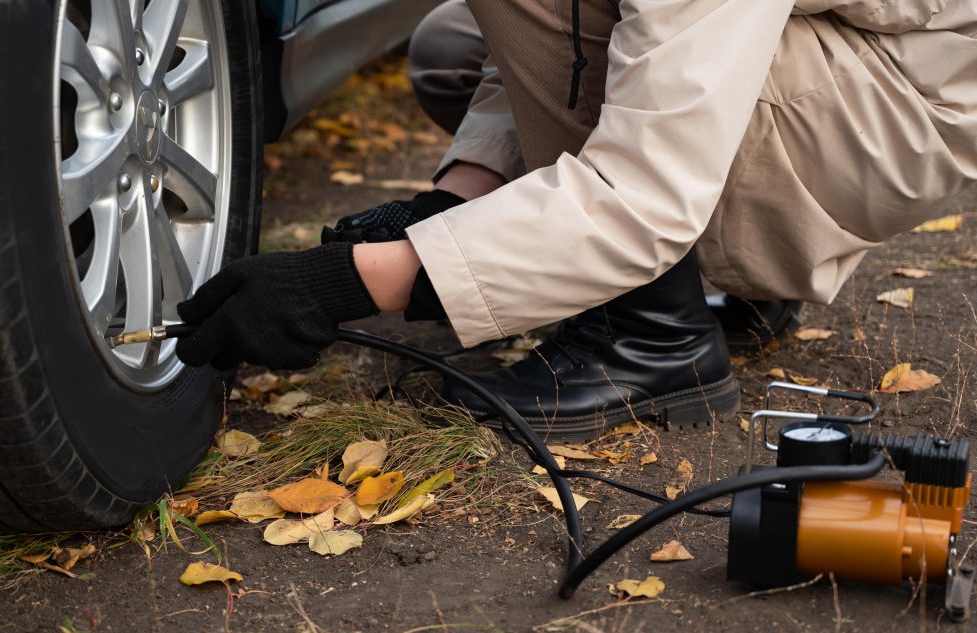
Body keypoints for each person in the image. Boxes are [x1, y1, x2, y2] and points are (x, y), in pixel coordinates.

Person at [176, 0, 977, 442]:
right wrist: (453, 201)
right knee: (452, 42)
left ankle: (654, 337)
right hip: (877, 60)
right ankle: (716, 285)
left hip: (897, 118)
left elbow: (644, 194)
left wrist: (346, 284)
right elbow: (558, 46)